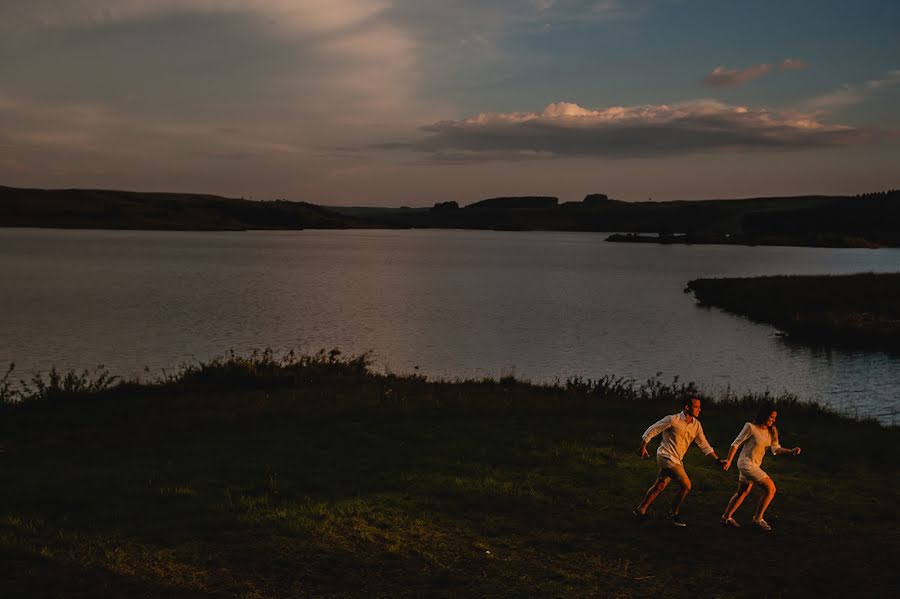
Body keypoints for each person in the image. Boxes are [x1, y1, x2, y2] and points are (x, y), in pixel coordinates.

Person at [633, 397, 724, 527]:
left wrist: (717, 460)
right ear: (687, 407)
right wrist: (643, 446)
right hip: (666, 457)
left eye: (700, 407)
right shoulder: (673, 419)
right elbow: (653, 429)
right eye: (697, 407)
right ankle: (673, 514)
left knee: (660, 485)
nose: (700, 409)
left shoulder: (696, 425)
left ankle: (640, 509)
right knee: (686, 485)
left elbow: (704, 445)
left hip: (677, 460)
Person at [720, 405, 802, 531]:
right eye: (771, 417)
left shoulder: (771, 431)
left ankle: (726, 517)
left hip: (754, 464)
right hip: (746, 463)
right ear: (764, 416)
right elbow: (736, 443)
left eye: (775, 418)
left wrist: (790, 451)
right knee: (771, 488)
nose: (773, 420)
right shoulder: (750, 427)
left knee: (743, 492)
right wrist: (729, 460)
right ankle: (758, 519)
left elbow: (776, 449)